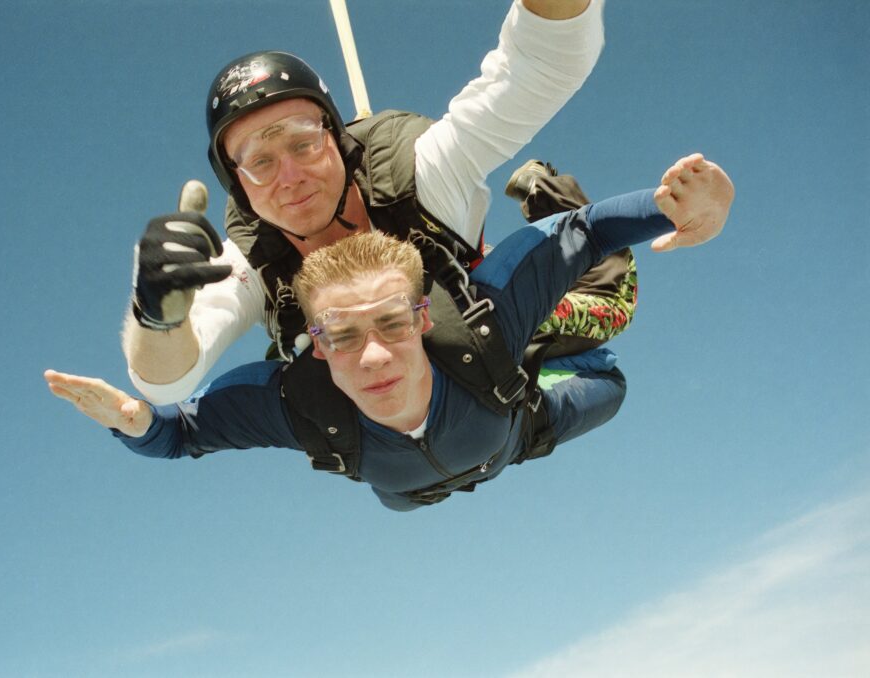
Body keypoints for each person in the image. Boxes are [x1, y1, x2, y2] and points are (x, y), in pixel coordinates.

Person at [46, 154, 734, 511]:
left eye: (392, 323)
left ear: (424, 315)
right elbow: (180, 435)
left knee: (611, 380)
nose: (372, 355)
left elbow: (589, 233)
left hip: (519, 425)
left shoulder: (482, 315)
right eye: (341, 335)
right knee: (400, 499)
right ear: (314, 342)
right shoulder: (296, 400)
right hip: (406, 485)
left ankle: (533, 349)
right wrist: (135, 420)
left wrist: (674, 205)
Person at [122, 0, 636, 406]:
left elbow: (541, 65)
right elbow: (166, 383)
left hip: (483, 305)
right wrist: (157, 316)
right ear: (237, 183)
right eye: (259, 162)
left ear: (338, 139)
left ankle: (546, 191)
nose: (291, 177)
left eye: (302, 143)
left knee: (611, 315)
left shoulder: (422, 171)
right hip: (424, 403)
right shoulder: (251, 264)